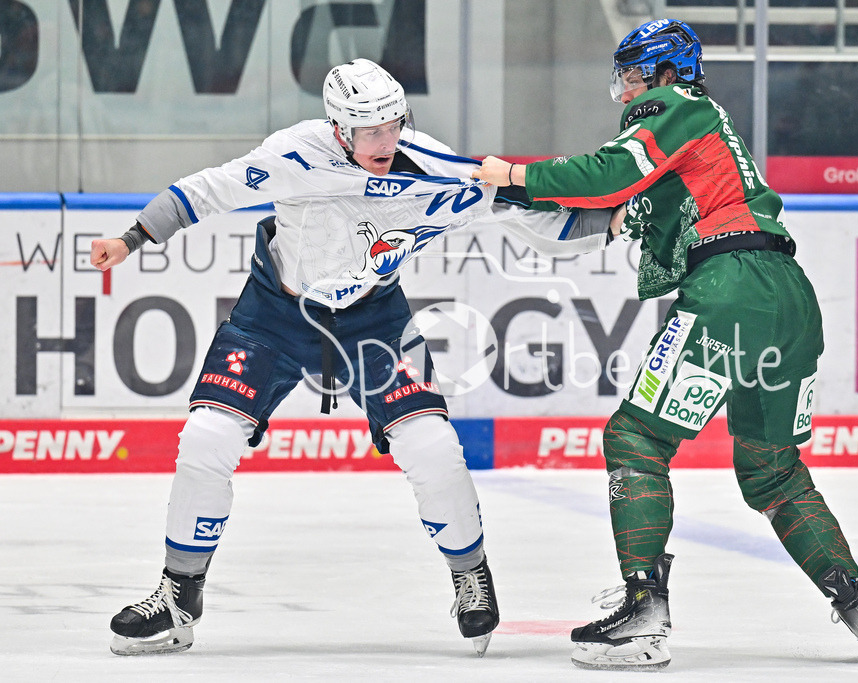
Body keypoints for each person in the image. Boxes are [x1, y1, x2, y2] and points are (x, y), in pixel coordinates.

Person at [92, 58, 610, 658]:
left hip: (375, 323)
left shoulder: (427, 163)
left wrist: (615, 221)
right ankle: (178, 596)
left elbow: (516, 207)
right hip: (274, 316)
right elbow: (209, 190)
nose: (385, 141)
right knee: (206, 439)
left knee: (432, 448)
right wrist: (131, 239)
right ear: (338, 127)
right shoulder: (293, 154)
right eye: (370, 132)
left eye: (393, 125)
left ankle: (470, 573)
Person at [473, 19, 858, 671]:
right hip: (790, 298)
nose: (626, 89)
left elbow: (608, 175)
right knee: (774, 470)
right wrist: (499, 202)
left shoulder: (676, 108)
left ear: (663, 72)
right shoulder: (697, 153)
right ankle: (857, 602)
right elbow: (601, 217)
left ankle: (645, 608)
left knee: (635, 439)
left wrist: (514, 172)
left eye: (634, 73)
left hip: (732, 290)